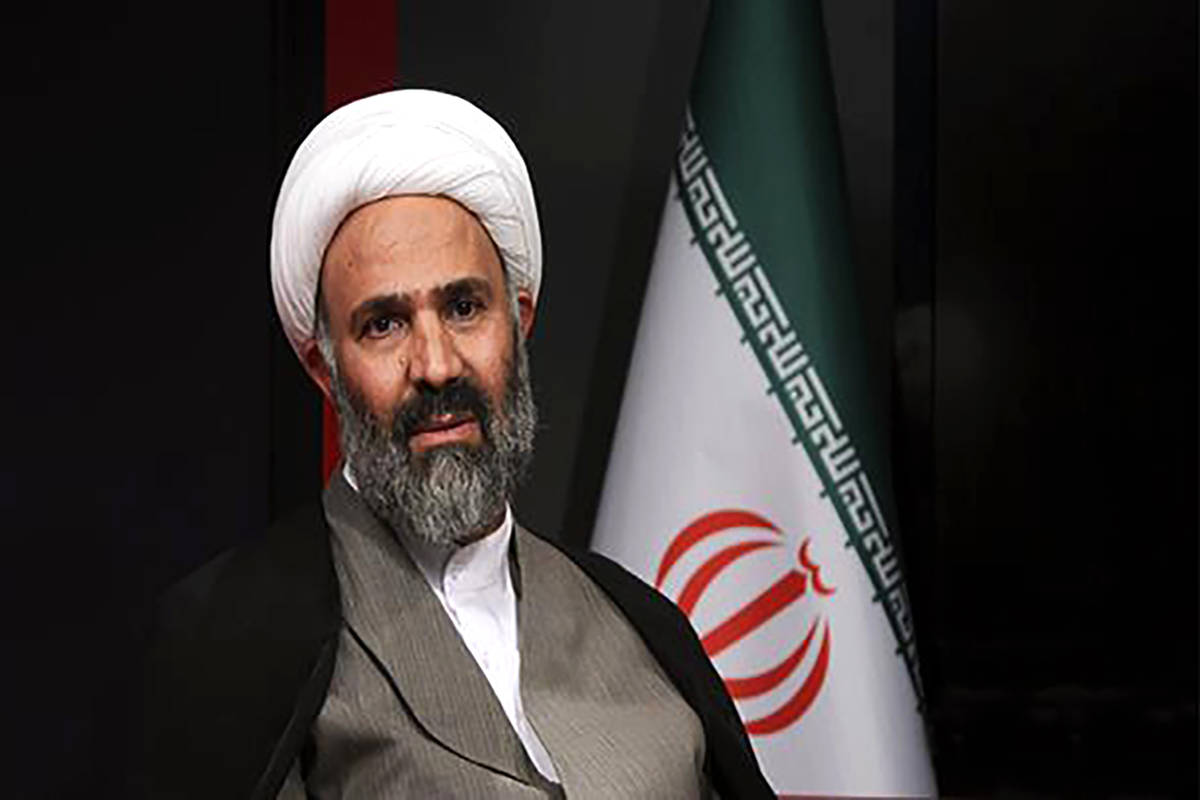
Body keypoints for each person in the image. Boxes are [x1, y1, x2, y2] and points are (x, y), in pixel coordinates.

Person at [142, 89, 772, 799]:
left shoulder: (640, 625)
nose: (436, 365)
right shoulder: (232, 639)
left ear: (519, 324)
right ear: (324, 368)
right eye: (384, 324)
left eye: (465, 308)